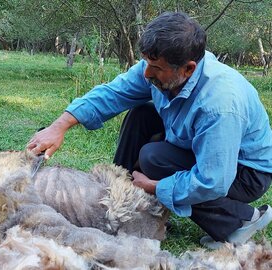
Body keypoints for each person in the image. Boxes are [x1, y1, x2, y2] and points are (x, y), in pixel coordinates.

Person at [27, 11, 272, 249]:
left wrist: (155, 186)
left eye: (155, 68)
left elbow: (213, 181)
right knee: (142, 114)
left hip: (245, 172)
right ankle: (118, 198)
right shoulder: (162, 66)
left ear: (188, 69)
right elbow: (114, 92)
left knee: (154, 159)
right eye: (146, 63)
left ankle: (239, 220)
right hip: (202, 148)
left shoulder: (219, 105)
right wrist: (59, 126)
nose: (146, 73)